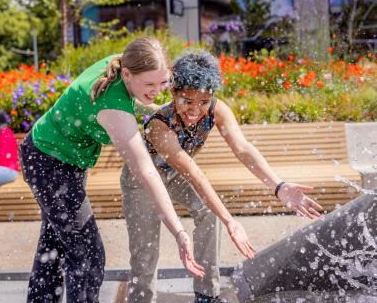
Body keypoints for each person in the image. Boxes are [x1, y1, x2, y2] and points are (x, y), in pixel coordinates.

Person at [121, 51, 324, 303]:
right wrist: (231, 221)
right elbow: (195, 174)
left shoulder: (217, 110)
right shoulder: (159, 125)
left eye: (203, 101)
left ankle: (206, 294)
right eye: (187, 101)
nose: (195, 110)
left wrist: (278, 186)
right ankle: (140, 299)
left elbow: (243, 149)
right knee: (145, 251)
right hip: (141, 179)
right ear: (173, 92)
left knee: (208, 212)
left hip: (174, 174)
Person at [19, 37, 208, 303]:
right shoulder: (112, 106)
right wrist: (179, 231)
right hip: (51, 165)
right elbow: (146, 172)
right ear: (128, 75)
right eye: (150, 84)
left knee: (57, 246)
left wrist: (155, 108)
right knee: (88, 255)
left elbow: (133, 95)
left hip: (49, 156)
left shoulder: (123, 63)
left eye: (162, 82)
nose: (157, 90)